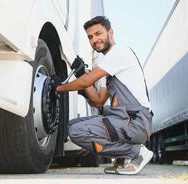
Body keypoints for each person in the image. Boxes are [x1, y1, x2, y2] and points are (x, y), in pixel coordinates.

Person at [55, 16, 153, 175]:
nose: (94, 40)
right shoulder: (109, 64)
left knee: (77, 132)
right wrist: (80, 73)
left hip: (136, 122)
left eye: (98, 33)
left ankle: (136, 153)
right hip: (124, 120)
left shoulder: (119, 52)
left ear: (110, 33)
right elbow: (98, 101)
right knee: (72, 125)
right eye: (90, 37)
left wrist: (58, 88)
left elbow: (86, 81)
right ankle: (121, 159)